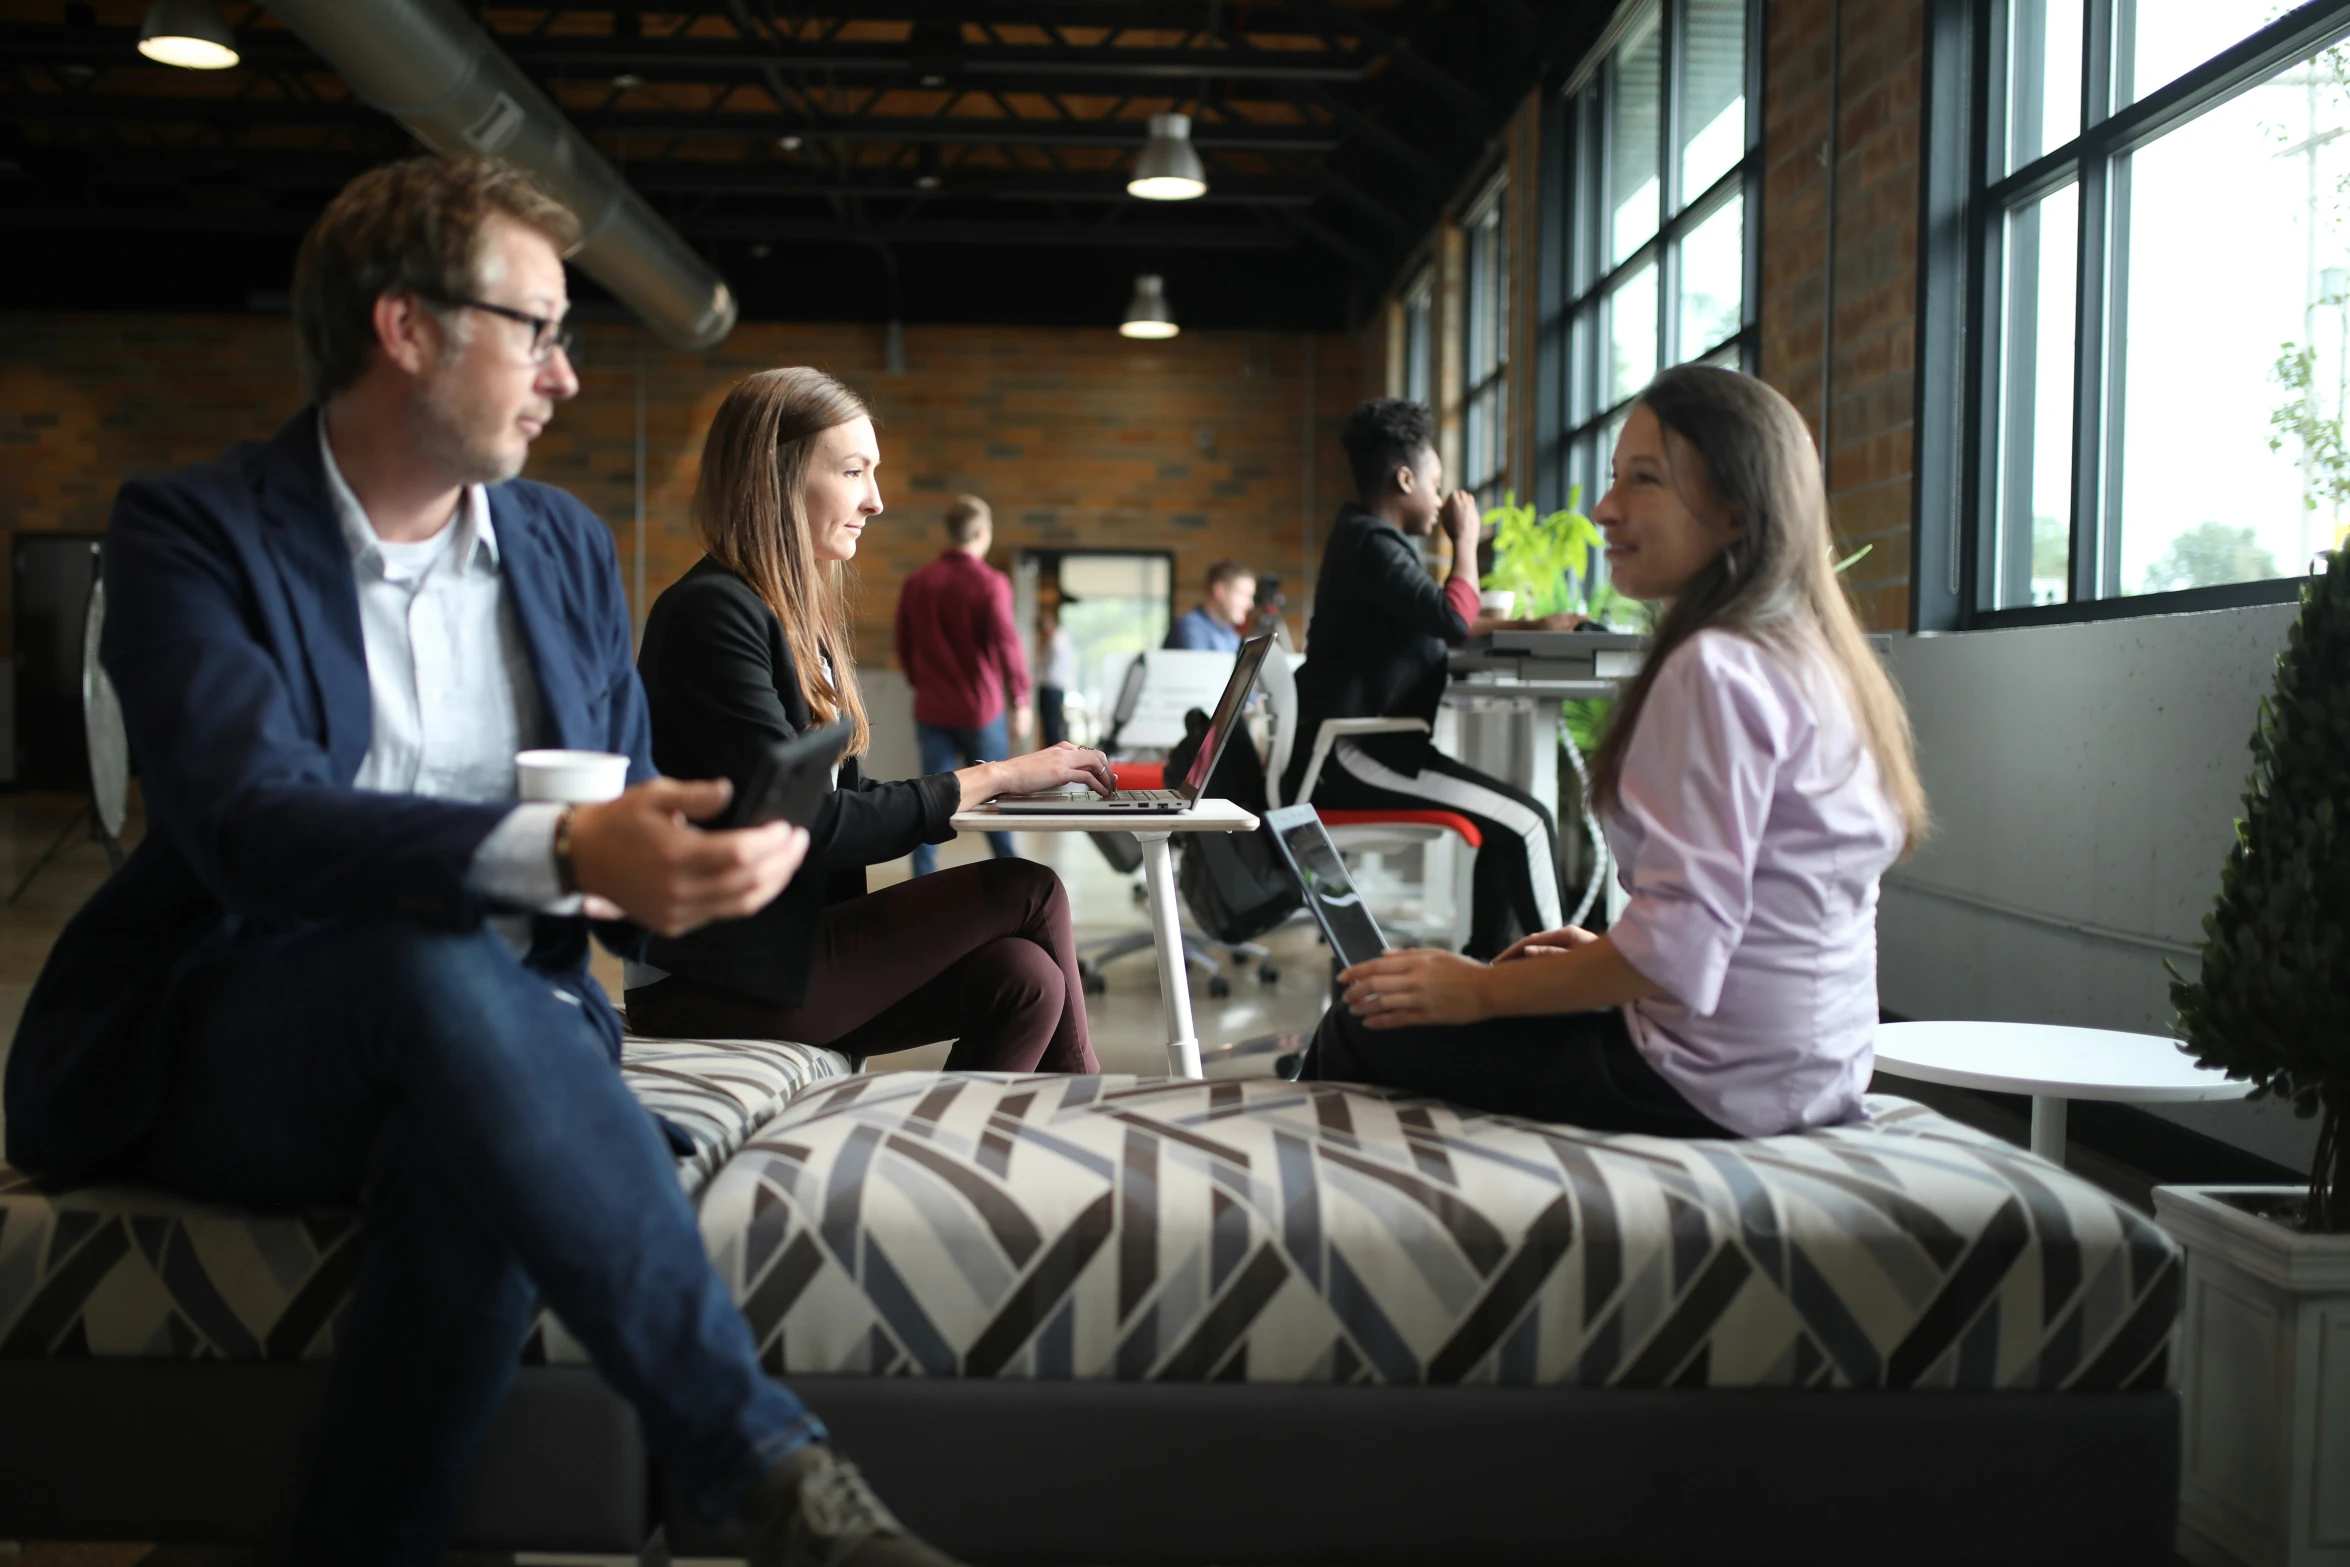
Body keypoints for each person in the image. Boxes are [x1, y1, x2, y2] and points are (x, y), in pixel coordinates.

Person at [2, 157, 963, 1567]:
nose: (564, 377)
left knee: (473, 1140)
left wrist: (686, 859)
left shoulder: (561, 547)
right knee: (420, 961)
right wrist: (563, 843)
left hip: (507, 1034)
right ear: (405, 328)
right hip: (242, 1029)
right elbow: (248, 827)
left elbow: (630, 800)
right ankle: (764, 1462)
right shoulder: (194, 534)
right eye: (538, 329)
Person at [1307, 367, 1929, 1140]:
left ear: (1737, 511)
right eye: (1613, 479)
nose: (1605, 508)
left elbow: (1680, 950)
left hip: (1707, 1078)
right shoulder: (1808, 651)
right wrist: (1610, 950)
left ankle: (1343, 1240)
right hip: (1810, 1061)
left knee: (1362, 1022)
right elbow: (1745, 909)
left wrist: (1477, 991)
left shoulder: (1712, 667)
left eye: (1644, 480)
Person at [626, 368, 1108, 1072]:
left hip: (783, 944)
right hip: (709, 974)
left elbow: (837, 808)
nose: (876, 501)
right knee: (1028, 889)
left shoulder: (794, 619)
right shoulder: (711, 614)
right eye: (854, 471)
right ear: (777, 478)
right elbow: (811, 824)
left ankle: (954, 1170)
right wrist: (993, 773)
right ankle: (1095, 1125)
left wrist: (997, 789)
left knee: (1024, 979)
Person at [1285, 398, 1581, 959]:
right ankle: (1562, 992)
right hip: (1355, 755)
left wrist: (1533, 623)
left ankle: (1485, 968)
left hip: (1360, 749)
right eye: (1436, 481)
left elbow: (1435, 616)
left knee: (1512, 822)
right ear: (1404, 478)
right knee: (1530, 823)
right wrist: (1464, 541)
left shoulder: (1363, 541)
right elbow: (1449, 617)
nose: (1443, 498)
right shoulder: (1373, 544)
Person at [894, 494, 1028, 874]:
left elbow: (904, 644)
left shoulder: (918, 582)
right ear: (983, 532)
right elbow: (1007, 643)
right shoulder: (990, 583)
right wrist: (1020, 699)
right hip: (980, 712)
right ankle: (1014, 876)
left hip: (932, 708)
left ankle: (921, 880)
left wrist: (922, 682)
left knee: (929, 803)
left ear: (949, 532)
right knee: (996, 798)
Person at [1164, 558, 1255, 651]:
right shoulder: (1191, 629)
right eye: (1243, 595)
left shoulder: (1229, 633)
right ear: (1220, 591)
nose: (1250, 604)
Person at [1036, 595, 1079, 748]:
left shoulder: (1057, 640)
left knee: (1052, 727)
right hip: (1053, 687)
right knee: (1052, 726)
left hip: (1052, 687)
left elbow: (1051, 666)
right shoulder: (1060, 638)